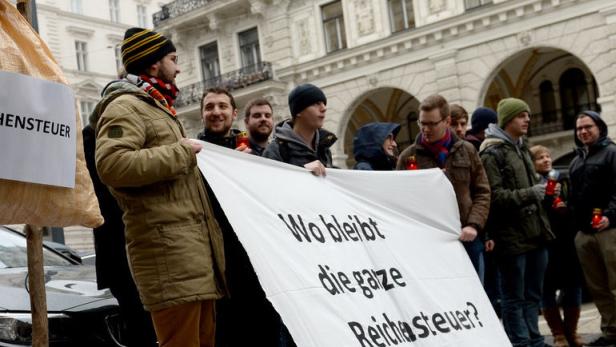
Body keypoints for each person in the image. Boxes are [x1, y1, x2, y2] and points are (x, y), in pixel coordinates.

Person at [94, 27, 225, 347]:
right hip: (169, 257)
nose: (179, 67)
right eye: (173, 59)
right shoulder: (125, 105)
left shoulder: (156, 106)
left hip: (189, 256)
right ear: (153, 64)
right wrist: (182, 152)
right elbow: (111, 164)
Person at [198, 91, 282, 346]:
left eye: (222, 106)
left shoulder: (252, 150)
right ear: (202, 114)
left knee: (263, 326)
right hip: (216, 260)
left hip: (255, 258)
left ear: (234, 114)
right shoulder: (195, 151)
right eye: (209, 107)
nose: (216, 112)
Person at [83, 96, 157, 347]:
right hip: (120, 248)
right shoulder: (96, 142)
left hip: (131, 247)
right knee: (138, 321)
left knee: (142, 321)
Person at [479, 97, 553, 347]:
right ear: (508, 119)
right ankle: (521, 343)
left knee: (533, 294)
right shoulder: (492, 152)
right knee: (514, 297)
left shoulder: (521, 147)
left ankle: (536, 339)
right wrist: (531, 193)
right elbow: (494, 196)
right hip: (510, 237)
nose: (528, 120)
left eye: (528, 115)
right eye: (522, 115)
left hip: (535, 233)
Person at [396, 94, 491, 281]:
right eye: (422, 123)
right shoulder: (408, 157)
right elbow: (400, 201)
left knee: (475, 296)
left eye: (432, 124)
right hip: (429, 244)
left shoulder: (467, 150)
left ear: (447, 121)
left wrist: (473, 225)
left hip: (467, 238)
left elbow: (482, 191)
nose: (425, 129)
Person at [568, 110, 616, 347]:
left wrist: (610, 215)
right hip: (584, 234)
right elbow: (574, 198)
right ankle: (611, 333)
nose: (583, 132)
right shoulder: (576, 161)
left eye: (588, 127)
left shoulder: (612, 153)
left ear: (599, 127)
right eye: (579, 129)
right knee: (598, 288)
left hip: (609, 230)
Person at [530, 145, 584, 347]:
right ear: (532, 163)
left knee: (573, 285)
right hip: (544, 241)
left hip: (567, 240)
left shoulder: (562, 177)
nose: (546, 160)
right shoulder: (531, 182)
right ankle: (558, 334)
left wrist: (566, 206)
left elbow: (577, 203)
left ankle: (572, 332)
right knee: (547, 288)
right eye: (539, 158)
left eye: (547, 156)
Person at [263, 83, 337, 176]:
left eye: (324, 104)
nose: (324, 108)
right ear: (298, 111)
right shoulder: (276, 150)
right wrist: (304, 172)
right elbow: (271, 185)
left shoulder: (324, 148)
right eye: (316, 104)